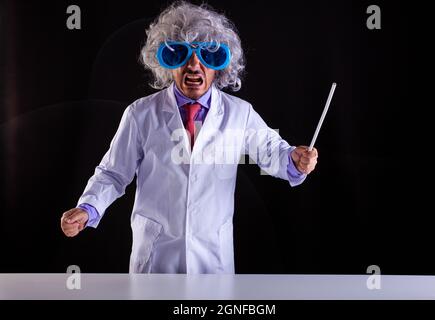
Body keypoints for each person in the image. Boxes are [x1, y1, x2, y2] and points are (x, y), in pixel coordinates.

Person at [60, 1, 318, 274]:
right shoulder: (140, 114)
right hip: (156, 258)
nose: (194, 65)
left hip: (212, 260)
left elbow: (274, 152)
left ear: (220, 65)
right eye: (181, 55)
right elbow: (113, 173)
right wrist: (88, 208)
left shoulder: (239, 114)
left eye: (207, 55)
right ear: (166, 62)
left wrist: (295, 159)